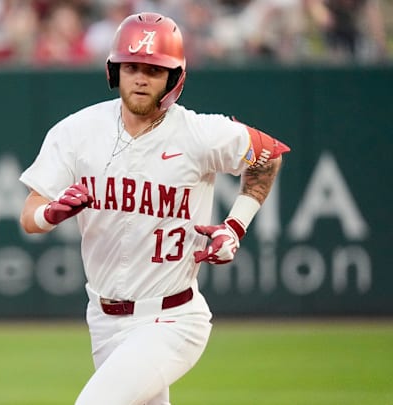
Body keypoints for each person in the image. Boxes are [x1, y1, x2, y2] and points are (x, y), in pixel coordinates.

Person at [18, 12, 290, 405]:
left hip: (173, 318)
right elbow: (30, 214)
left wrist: (235, 226)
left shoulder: (199, 133)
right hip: (104, 318)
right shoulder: (77, 131)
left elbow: (268, 155)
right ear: (115, 70)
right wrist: (50, 213)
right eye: (131, 67)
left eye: (153, 69)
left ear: (174, 78)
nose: (141, 78)